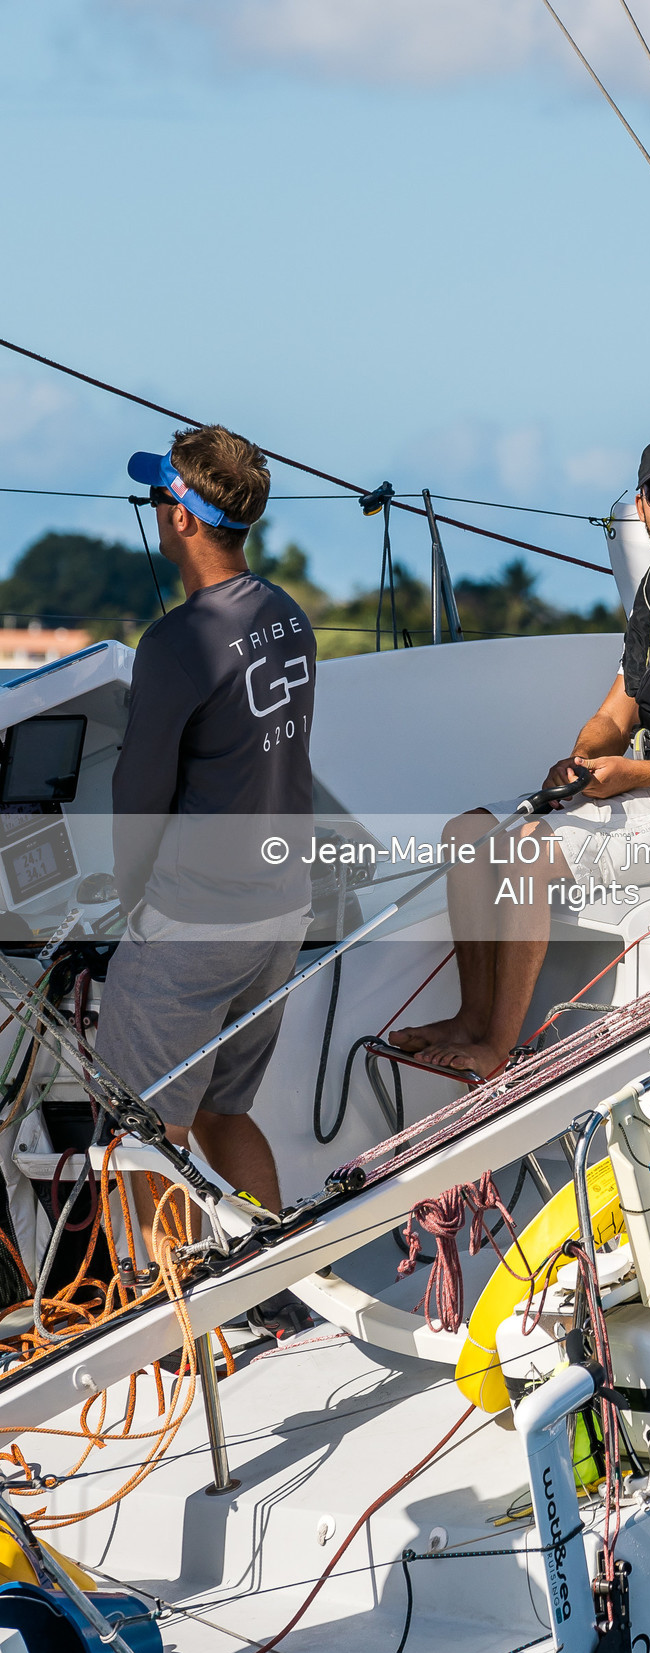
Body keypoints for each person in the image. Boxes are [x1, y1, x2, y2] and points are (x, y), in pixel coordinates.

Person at [392, 433, 650, 1079]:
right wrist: (581, 762)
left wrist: (632, 772)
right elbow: (615, 715)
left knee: (525, 848)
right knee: (467, 832)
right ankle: (471, 1017)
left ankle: (497, 1044)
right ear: (642, 507)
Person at [95, 426, 316, 1215]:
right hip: (280, 913)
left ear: (183, 518)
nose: (155, 513)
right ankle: (272, 1295)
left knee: (144, 1135)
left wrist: (130, 909)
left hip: (197, 923)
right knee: (223, 1113)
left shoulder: (176, 641)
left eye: (158, 497)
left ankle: (166, 1331)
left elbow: (139, 795)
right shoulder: (289, 616)